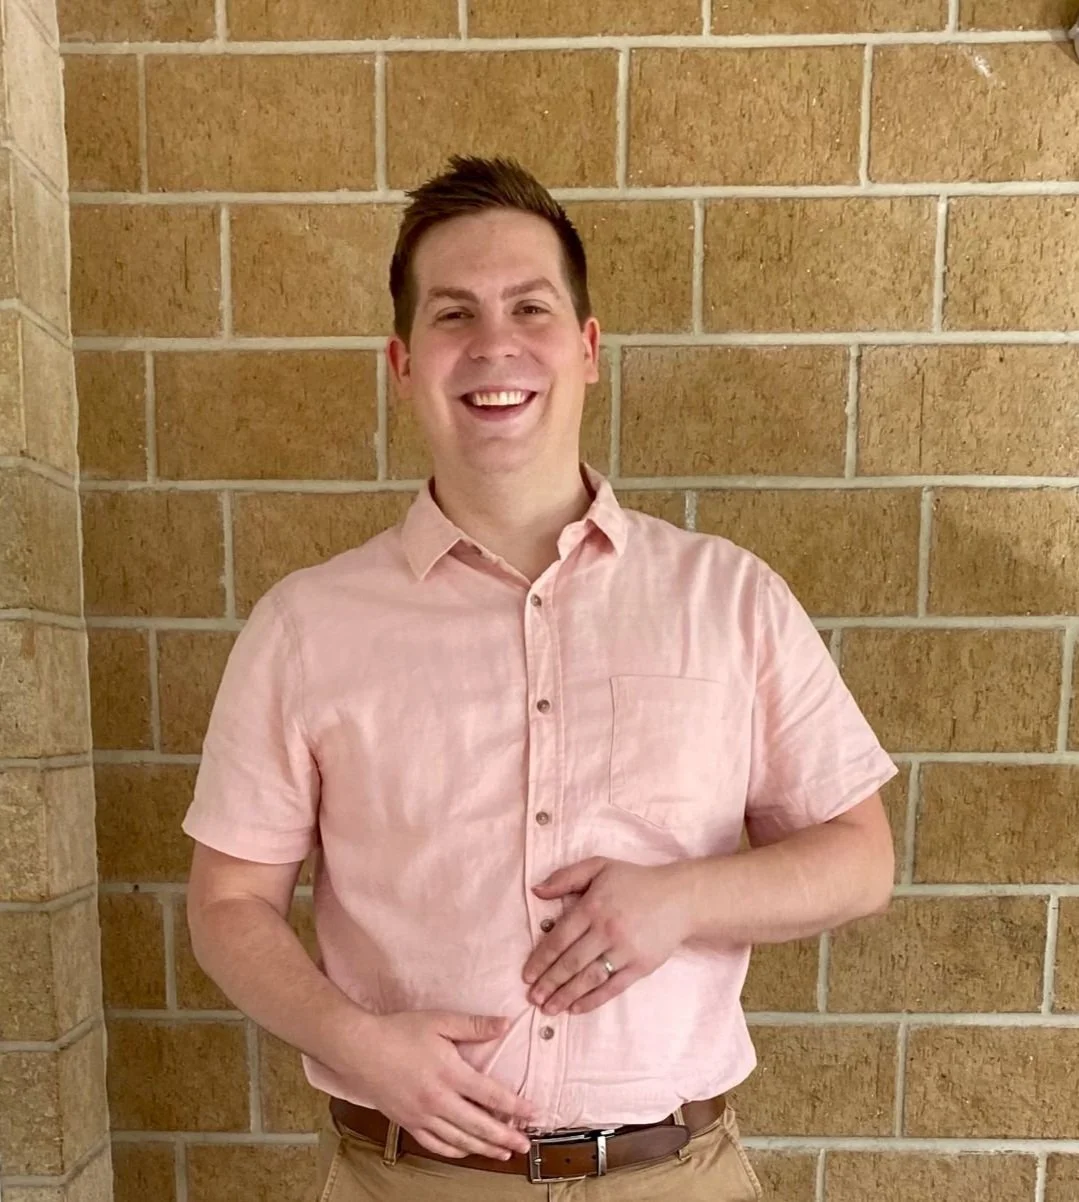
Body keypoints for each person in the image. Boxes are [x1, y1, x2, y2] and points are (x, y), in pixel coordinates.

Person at [182, 155, 898, 1201]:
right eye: (453, 314)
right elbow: (227, 900)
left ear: (587, 347)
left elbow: (860, 860)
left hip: (672, 1177)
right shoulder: (306, 627)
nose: (494, 344)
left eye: (529, 307)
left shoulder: (729, 599)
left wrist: (681, 899)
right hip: (408, 1181)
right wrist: (353, 1039)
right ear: (401, 362)